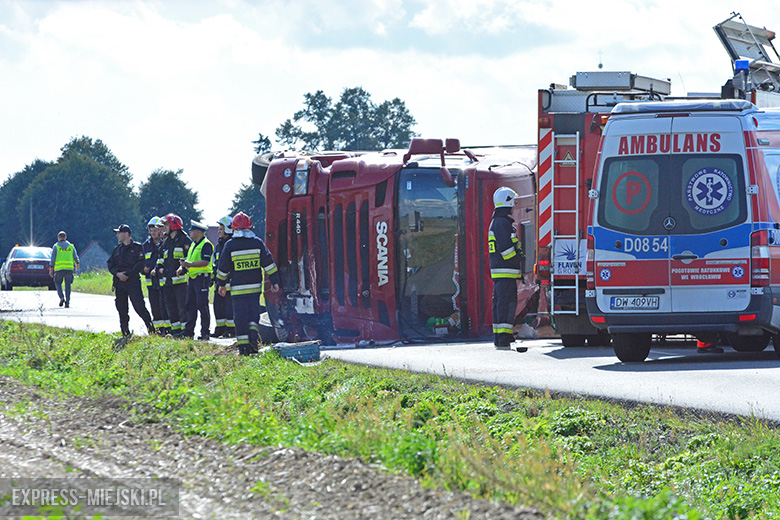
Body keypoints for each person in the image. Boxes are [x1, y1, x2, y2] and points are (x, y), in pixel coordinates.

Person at [216, 212, 280, 355]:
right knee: (253, 317)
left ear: (234, 229)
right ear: (250, 227)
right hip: (254, 290)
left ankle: (243, 349)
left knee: (240, 320)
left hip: (238, 292)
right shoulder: (257, 243)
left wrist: (221, 284)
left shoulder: (230, 245)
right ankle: (253, 343)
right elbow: (269, 264)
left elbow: (223, 268)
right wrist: (275, 281)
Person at [488, 187, 527, 352]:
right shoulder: (502, 223)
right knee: (506, 305)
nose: (514, 206)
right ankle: (503, 337)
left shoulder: (498, 222)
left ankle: (500, 337)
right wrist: (519, 259)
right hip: (505, 272)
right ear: (507, 201)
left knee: (501, 305)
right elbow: (506, 250)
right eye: (512, 201)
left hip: (502, 273)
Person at [107, 224, 155, 337]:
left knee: (139, 307)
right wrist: (117, 274)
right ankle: (125, 332)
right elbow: (110, 264)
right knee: (122, 309)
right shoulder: (117, 250)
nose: (117, 235)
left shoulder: (138, 248)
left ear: (127, 234)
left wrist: (128, 274)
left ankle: (152, 330)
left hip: (132, 282)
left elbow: (140, 263)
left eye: (119, 233)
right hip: (119, 282)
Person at [178, 220, 213, 339]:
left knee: (202, 305)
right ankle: (188, 331)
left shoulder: (206, 244)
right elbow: (189, 259)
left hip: (202, 278)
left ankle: (205, 332)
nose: (190, 232)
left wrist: (189, 265)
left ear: (199, 232)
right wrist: (182, 267)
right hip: (193, 278)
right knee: (190, 305)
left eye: (192, 230)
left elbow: (205, 261)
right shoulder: (193, 244)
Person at [157, 213, 192, 336]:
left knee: (182, 307)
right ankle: (175, 331)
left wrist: (183, 268)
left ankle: (184, 331)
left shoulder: (185, 240)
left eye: (166, 225)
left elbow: (190, 258)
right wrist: (160, 269)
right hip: (168, 281)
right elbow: (160, 259)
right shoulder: (166, 242)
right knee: (171, 307)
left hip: (181, 282)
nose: (164, 228)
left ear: (173, 225)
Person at [142, 216, 168, 334]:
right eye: (151, 231)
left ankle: (166, 330)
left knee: (165, 307)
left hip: (163, 281)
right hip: (151, 283)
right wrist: (144, 270)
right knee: (155, 308)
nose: (153, 233)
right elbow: (140, 262)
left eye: (155, 230)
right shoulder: (145, 246)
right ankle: (158, 331)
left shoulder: (165, 243)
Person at [212, 215, 235, 338]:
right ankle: (219, 329)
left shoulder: (231, 244)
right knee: (218, 306)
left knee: (229, 307)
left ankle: (231, 330)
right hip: (219, 282)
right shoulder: (219, 245)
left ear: (228, 229)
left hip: (229, 283)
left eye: (221, 228)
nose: (218, 231)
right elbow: (215, 264)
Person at [49, 231, 80, 308]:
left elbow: (52, 259)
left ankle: (61, 297)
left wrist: (51, 270)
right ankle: (68, 302)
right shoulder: (71, 246)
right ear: (65, 237)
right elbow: (76, 258)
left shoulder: (56, 247)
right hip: (69, 269)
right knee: (68, 286)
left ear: (59, 238)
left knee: (58, 283)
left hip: (59, 269)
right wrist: (77, 268)